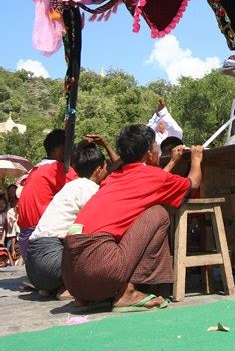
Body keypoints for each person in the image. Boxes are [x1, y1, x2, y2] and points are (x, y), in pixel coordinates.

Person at [61, 124, 203, 312]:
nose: (157, 151)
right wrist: (196, 158)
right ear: (148, 152)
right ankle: (128, 291)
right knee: (158, 213)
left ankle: (95, 295)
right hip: (101, 268)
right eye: (156, 146)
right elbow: (193, 182)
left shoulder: (111, 177)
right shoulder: (152, 175)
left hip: (71, 280)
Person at [25, 145, 107, 299]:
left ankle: (52, 287)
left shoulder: (69, 186)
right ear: (98, 169)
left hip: (32, 267)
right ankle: (68, 288)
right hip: (51, 261)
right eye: (105, 167)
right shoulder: (91, 189)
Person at [18, 129, 78, 261]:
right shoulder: (56, 169)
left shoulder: (37, 169)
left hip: (25, 239)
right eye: (71, 149)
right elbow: (87, 185)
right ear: (62, 151)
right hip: (41, 241)